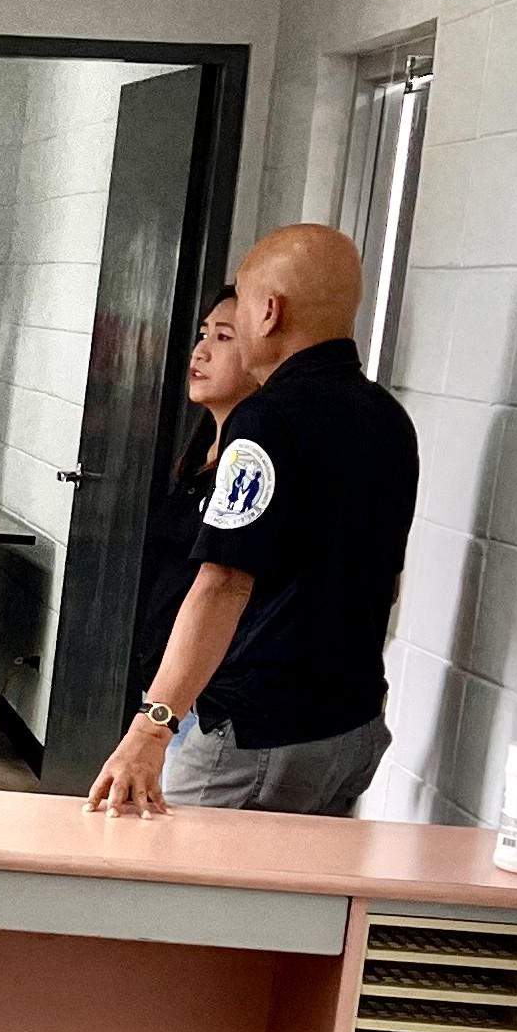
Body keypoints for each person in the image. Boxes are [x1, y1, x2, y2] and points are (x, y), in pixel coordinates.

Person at [88, 223, 417, 819]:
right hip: (351, 728)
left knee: (162, 895)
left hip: (256, 735)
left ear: (269, 311)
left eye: (237, 307)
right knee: (290, 906)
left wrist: (151, 731)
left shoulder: (268, 421)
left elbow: (223, 582)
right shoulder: (388, 417)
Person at [126, 292, 261, 708]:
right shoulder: (199, 454)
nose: (200, 351)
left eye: (223, 338)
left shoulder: (253, 465)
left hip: (206, 700)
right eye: (203, 335)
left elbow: (226, 586)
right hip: (166, 685)